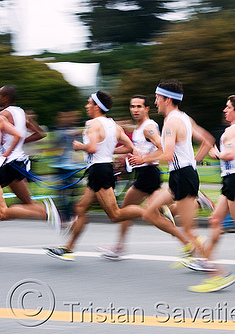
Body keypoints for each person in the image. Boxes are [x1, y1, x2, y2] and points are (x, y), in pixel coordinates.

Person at [44, 90, 146, 261]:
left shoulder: (92, 124)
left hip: (99, 171)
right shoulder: (115, 126)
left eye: (89, 102)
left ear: (97, 106)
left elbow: (92, 148)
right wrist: (110, 150)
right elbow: (130, 147)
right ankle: (69, 248)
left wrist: (79, 146)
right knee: (80, 208)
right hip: (101, 169)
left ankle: (151, 211)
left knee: (115, 215)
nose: (87, 106)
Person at [138, 80, 216, 276]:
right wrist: (193, 163)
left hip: (182, 176)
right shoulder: (185, 118)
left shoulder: (171, 122)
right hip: (181, 176)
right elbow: (208, 141)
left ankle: (212, 268)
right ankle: (195, 210)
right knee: (149, 212)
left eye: (157, 98)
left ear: (167, 99)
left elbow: (166, 154)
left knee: (189, 230)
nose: (155, 101)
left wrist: (143, 159)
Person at [187, 95, 235, 292]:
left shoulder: (231, 131)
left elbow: (229, 154)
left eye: (228, 107)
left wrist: (216, 154)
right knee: (214, 220)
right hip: (233, 180)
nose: (224, 110)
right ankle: (207, 259)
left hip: (234, 181)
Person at [97, 95, 163, 260]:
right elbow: (135, 149)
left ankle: (118, 248)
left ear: (147, 108)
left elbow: (163, 148)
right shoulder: (140, 128)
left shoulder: (148, 127)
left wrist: (143, 160)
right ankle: (193, 200)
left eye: (139, 106)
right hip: (145, 173)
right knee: (159, 213)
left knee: (127, 209)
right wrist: (109, 151)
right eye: (133, 106)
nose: (135, 109)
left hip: (148, 174)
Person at [0, 85, 60, 228]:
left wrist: (8, 149)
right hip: (18, 163)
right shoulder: (21, 113)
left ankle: (47, 212)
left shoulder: (4, 115)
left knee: (3, 213)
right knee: (29, 203)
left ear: (6, 98)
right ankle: (59, 218)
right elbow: (39, 133)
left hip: (7, 164)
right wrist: (20, 142)